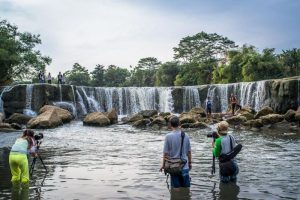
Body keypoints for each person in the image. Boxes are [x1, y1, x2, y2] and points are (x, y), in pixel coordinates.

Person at [160, 116, 192, 189]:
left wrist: (163, 165)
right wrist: (190, 163)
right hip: (184, 166)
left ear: (170, 125)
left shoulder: (168, 136)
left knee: (176, 190)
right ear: (179, 124)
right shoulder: (185, 135)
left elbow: (165, 154)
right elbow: (189, 152)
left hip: (174, 167)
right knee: (186, 189)